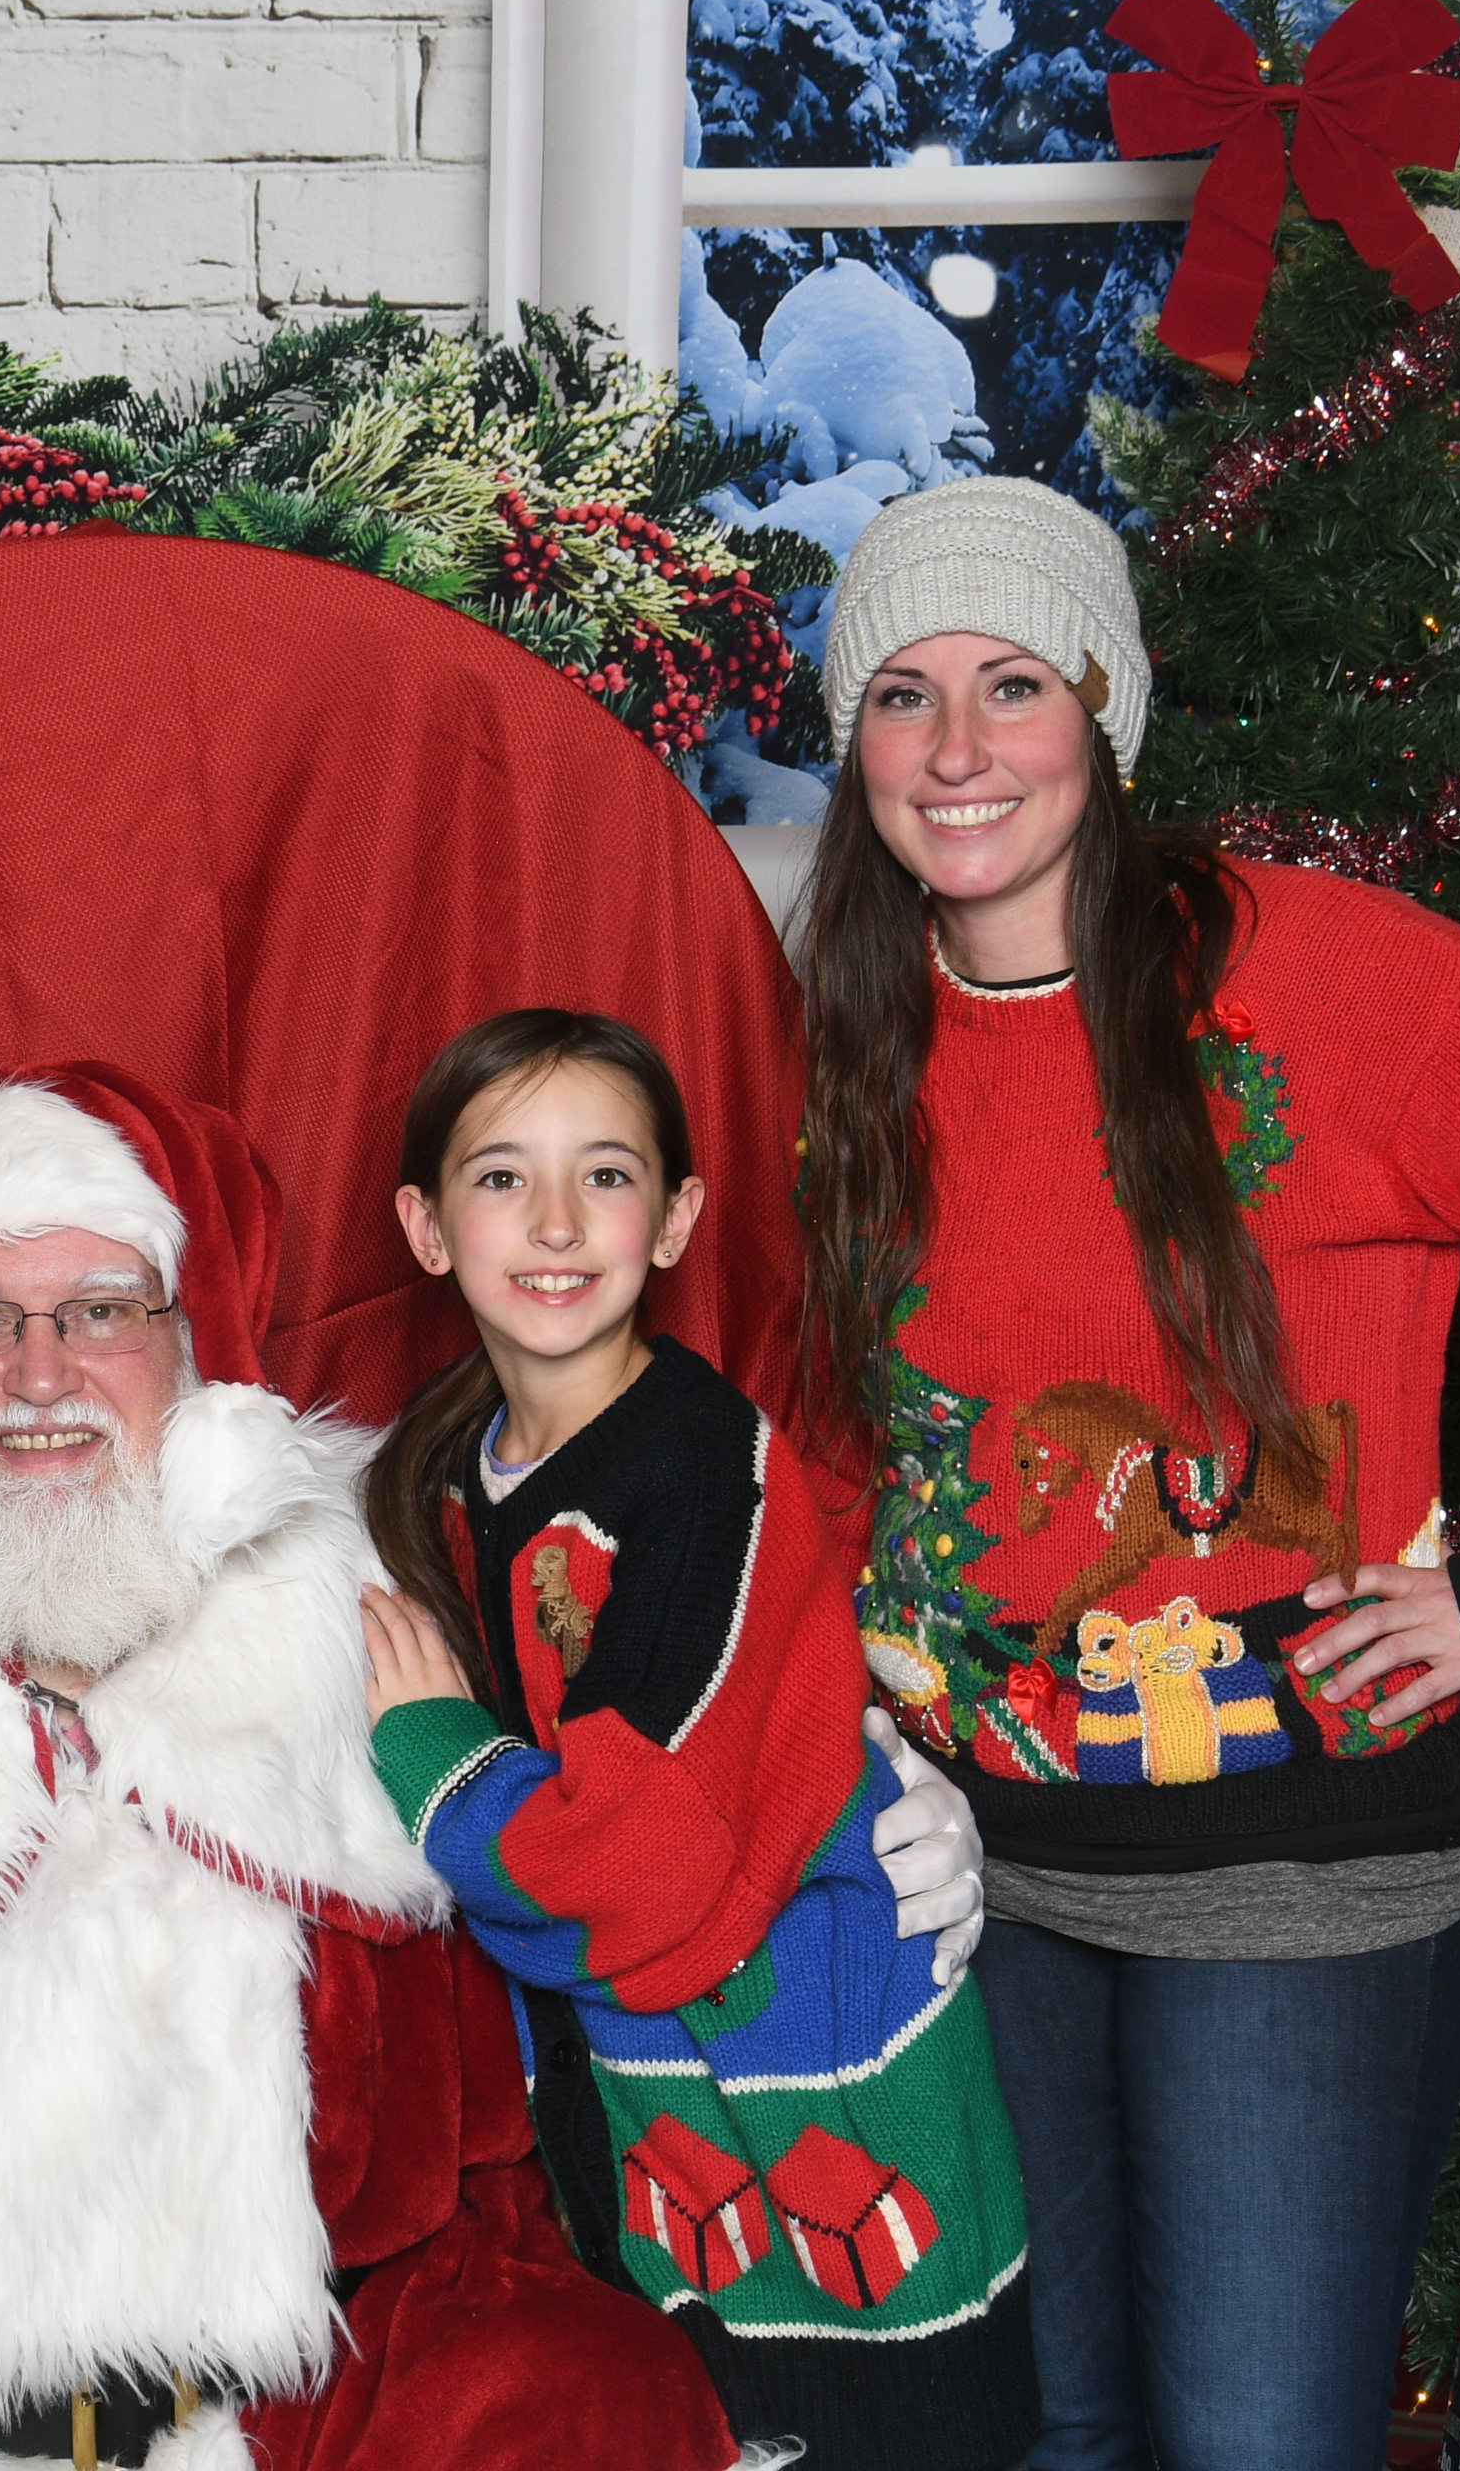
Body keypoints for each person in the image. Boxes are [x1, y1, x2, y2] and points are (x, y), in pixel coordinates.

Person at [787, 478, 1460, 2471]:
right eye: (904, 696)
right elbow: (829, 1424)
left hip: (1297, 1878)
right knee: (1040, 2433)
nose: (959, 748)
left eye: (1013, 685)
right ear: (856, 746)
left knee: (1255, 2440)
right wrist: (827, 1736)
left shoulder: (1330, 983)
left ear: (1108, 709)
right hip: (969, 1869)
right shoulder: (844, 1027)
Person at [0, 1062, 985, 2470]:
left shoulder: (362, 1594)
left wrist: (859, 1813)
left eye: (103, 1311)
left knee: (584, 2404)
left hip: (288, 2405)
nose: (42, 1376)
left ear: (190, 1344)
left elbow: (649, 1761)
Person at [357, 1008, 1034, 2471]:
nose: (554, 1221)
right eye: (500, 1177)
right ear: (424, 1227)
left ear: (673, 1221)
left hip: (822, 2089)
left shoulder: (701, 1470)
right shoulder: (453, 1470)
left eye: (604, 1175)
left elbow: (640, 1864)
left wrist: (433, 1762)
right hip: (659, 2110)